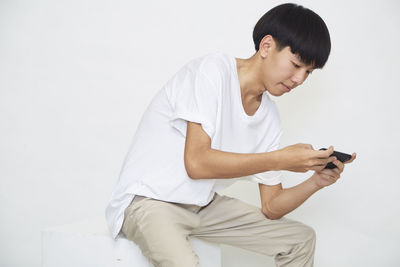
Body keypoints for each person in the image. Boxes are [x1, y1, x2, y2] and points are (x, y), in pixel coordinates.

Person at [105, 3, 356, 267]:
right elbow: (197, 163)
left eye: (308, 72)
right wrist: (279, 159)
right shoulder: (213, 71)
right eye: (296, 65)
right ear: (267, 46)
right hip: (149, 201)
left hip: (202, 206)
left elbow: (271, 206)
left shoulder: (269, 116)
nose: (299, 79)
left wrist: (316, 182)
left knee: (300, 239)